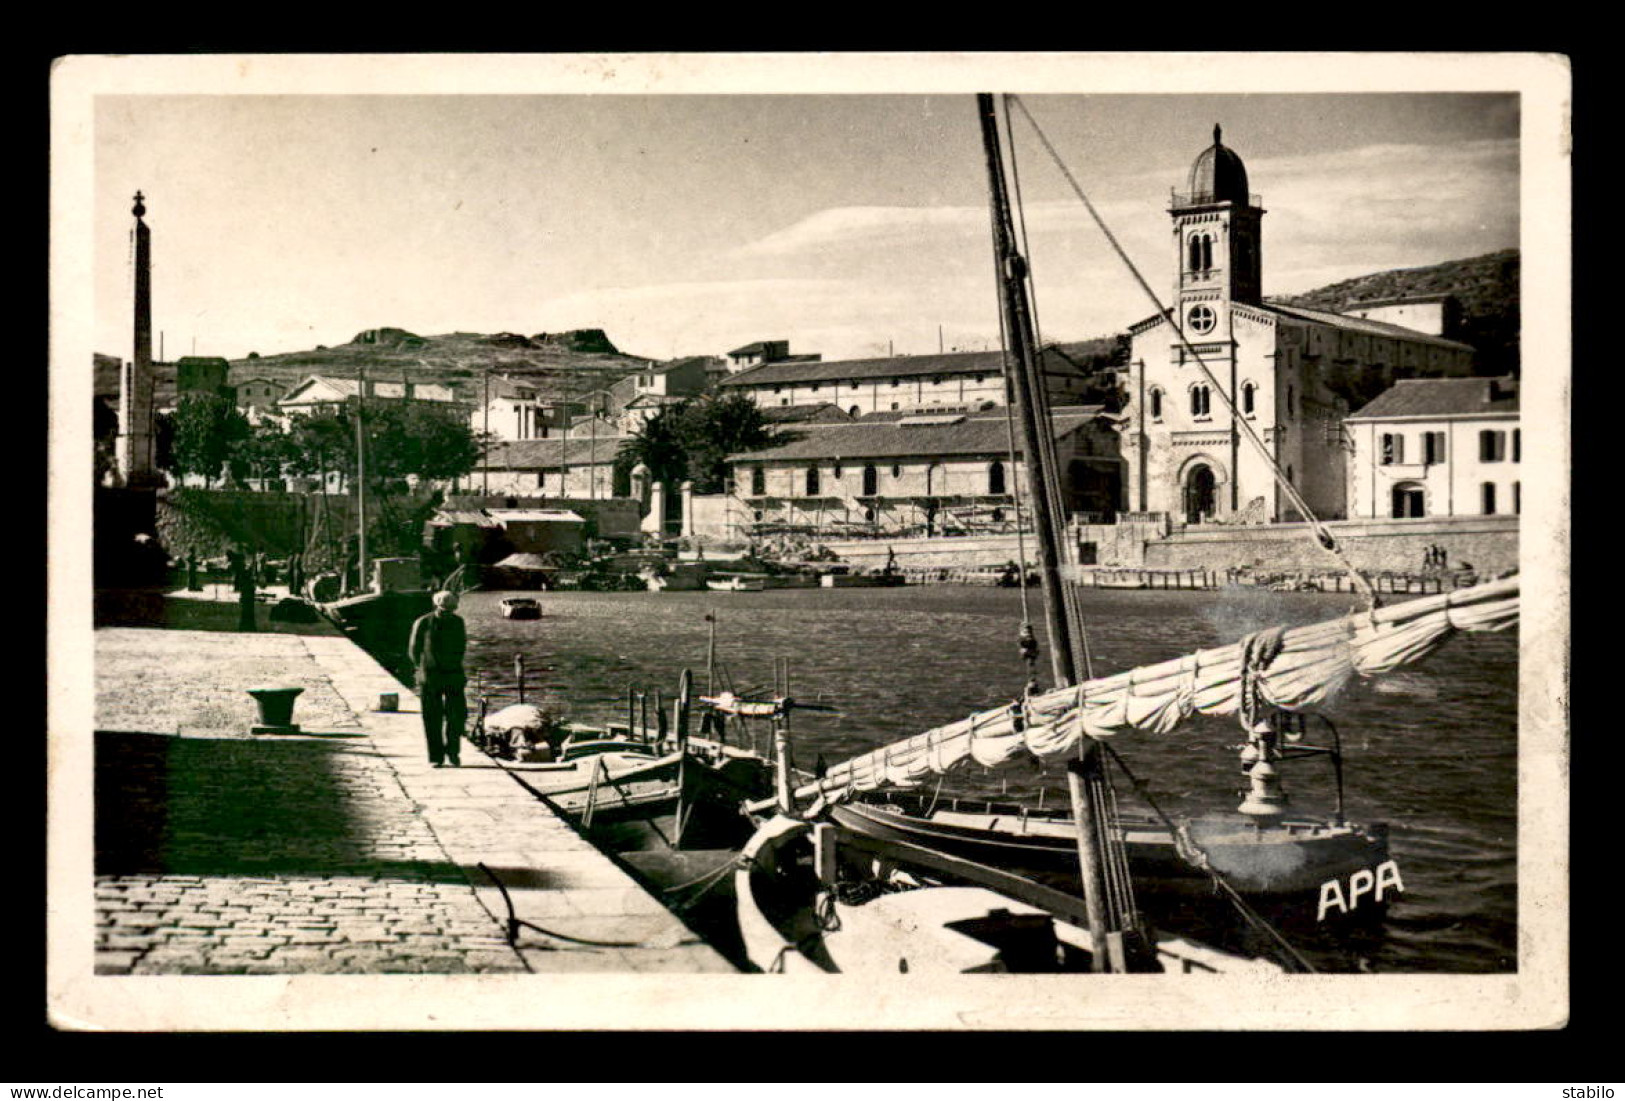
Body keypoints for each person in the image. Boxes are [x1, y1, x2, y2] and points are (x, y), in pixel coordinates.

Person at [408, 590, 467, 768]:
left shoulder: (458, 622)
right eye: (443, 610)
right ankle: (436, 756)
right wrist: (421, 668)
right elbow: (413, 649)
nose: (447, 614)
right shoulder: (423, 623)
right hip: (430, 676)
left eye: (450, 610)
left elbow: (461, 646)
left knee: (457, 715)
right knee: (431, 717)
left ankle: (453, 752)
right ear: (437, 607)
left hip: (453, 674)